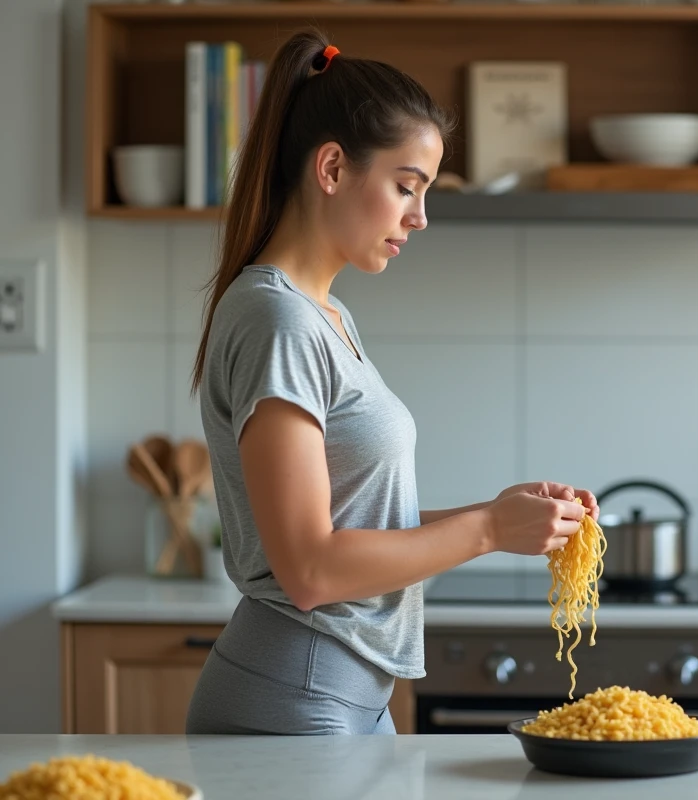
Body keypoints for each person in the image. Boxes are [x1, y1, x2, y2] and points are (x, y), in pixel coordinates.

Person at [184, 30, 598, 735]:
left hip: (336, 693)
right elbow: (311, 568)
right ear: (333, 168)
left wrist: (498, 518)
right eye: (406, 186)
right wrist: (489, 528)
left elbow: (355, 527)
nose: (420, 215)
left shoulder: (325, 315)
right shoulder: (278, 321)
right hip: (296, 694)